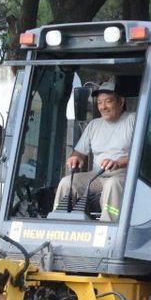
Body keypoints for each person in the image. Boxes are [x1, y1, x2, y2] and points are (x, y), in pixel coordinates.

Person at [54, 83, 136, 220]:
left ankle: (107, 227)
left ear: (121, 101)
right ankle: (57, 222)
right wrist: (75, 157)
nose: (103, 107)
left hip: (125, 175)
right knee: (66, 182)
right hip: (96, 175)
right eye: (99, 103)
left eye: (108, 102)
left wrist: (118, 163)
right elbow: (79, 152)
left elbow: (144, 154)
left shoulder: (133, 119)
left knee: (112, 184)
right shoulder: (94, 125)